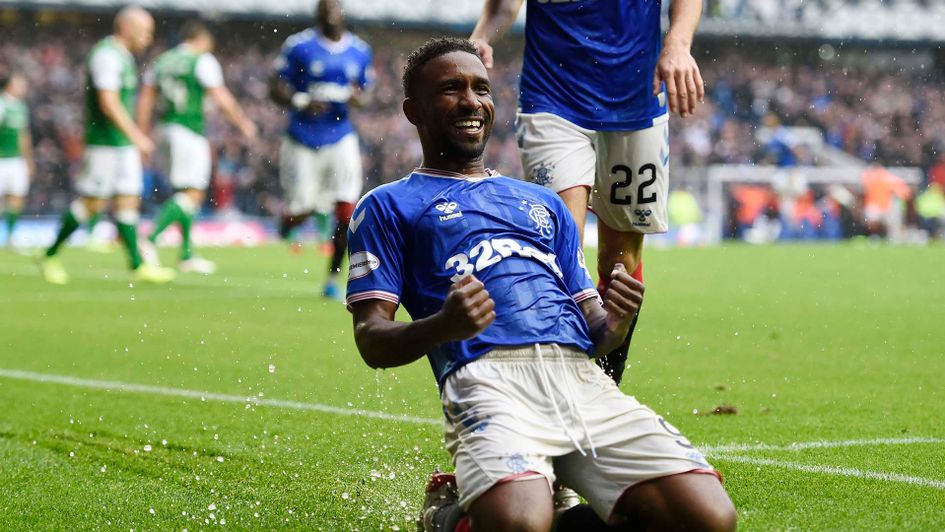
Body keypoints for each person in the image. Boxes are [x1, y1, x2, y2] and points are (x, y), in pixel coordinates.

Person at [347, 38, 735, 532]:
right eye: (451, 89)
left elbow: (595, 328)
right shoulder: (387, 205)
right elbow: (371, 341)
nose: (471, 102)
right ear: (413, 110)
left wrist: (614, 324)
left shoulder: (542, 204)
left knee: (708, 518)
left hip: (580, 380)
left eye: (481, 89)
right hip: (487, 382)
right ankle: (449, 516)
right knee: (521, 525)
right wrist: (443, 324)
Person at [470, 0, 706, 382]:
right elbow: (504, 4)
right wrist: (481, 37)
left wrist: (677, 44)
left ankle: (605, 388)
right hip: (552, 100)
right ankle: (559, 387)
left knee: (620, 263)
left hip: (638, 102)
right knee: (559, 247)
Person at [39, 6, 175, 285]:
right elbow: (108, 102)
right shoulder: (106, 55)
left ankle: (137, 264)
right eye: (145, 31)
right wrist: (138, 136)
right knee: (92, 203)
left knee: (128, 200)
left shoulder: (123, 57)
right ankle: (50, 255)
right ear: (127, 27)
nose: (148, 38)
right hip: (104, 143)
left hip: (121, 143)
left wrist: (133, 139)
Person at [269, 0, 373, 300]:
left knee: (347, 209)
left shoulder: (359, 50)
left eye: (335, 8)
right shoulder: (299, 46)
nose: (331, 14)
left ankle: (331, 279)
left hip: (340, 136)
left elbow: (366, 95)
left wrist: (357, 99)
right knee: (302, 208)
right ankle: (289, 223)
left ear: (343, 14)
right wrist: (301, 101)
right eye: (325, 9)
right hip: (301, 137)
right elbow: (274, 87)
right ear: (317, 15)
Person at [137, 20, 258, 274]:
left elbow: (146, 98)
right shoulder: (201, 60)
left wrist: (141, 132)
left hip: (165, 128)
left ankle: (186, 254)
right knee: (192, 193)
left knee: (183, 192)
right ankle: (149, 239)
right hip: (188, 130)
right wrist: (243, 122)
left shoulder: (162, 61)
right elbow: (220, 96)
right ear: (201, 40)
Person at [0, 72, 33, 248]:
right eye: (19, 83)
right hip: (1, 159)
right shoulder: (2, 104)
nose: (23, 87)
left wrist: (28, 159)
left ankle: (11, 236)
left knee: (16, 198)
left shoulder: (21, 107)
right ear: (9, 85)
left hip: (16, 160)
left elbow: (23, 135)